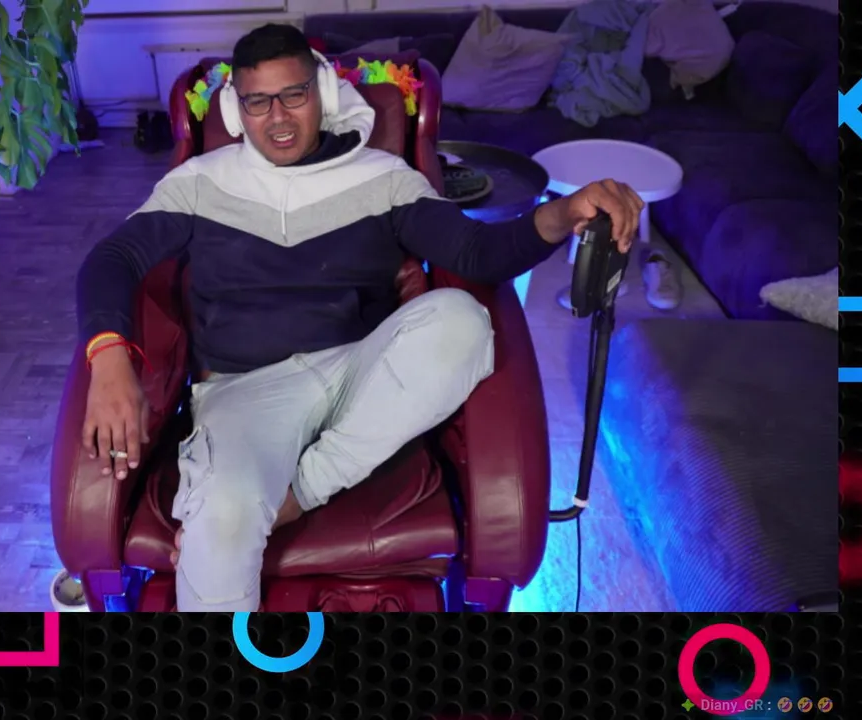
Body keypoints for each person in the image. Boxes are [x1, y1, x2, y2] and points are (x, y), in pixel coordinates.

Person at [75, 24, 644, 611]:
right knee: (220, 526)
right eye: (258, 101)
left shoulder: (384, 177)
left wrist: (565, 213)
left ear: (321, 92)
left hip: (358, 377)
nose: (278, 117)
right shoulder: (199, 182)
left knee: (462, 320)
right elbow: (112, 259)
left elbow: (480, 255)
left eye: (294, 94)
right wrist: (109, 357)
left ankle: (299, 493)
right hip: (243, 392)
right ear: (235, 110)